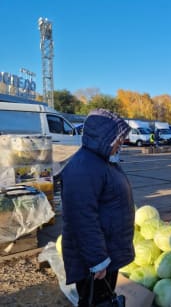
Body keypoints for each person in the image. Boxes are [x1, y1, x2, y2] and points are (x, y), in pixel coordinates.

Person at [60, 108, 135, 307]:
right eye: (117, 138)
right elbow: (81, 219)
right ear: (104, 137)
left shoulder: (100, 162)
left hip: (106, 252)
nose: (120, 143)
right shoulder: (83, 167)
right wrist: (97, 259)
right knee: (95, 301)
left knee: (103, 299)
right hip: (94, 258)